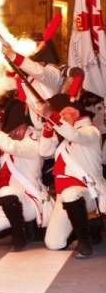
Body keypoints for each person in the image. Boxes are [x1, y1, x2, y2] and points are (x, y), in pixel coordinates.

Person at [0, 100, 51, 251]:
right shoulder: (11, 142)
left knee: (7, 192)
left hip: (30, 201)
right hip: (8, 204)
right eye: (11, 131)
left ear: (26, 126)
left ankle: (19, 236)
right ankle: (15, 227)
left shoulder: (34, 141)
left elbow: (12, 147)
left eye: (16, 129)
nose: (13, 133)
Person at [39, 93, 106, 259]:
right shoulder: (62, 142)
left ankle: (85, 243)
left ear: (76, 113)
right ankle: (88, 228)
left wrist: (52, 116)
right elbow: (44, 151)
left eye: (63, 114)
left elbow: (76, 136)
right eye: (59, 115)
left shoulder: (90, 131)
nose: (60, 117)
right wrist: (48, 126)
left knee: (70, 193)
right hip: (66, 199)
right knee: (54, 243)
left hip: (90, 193)